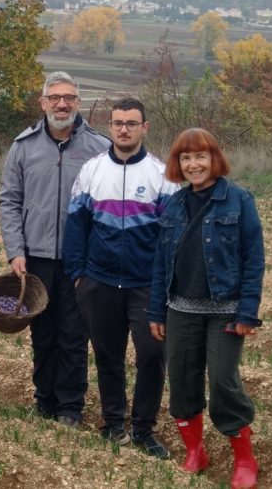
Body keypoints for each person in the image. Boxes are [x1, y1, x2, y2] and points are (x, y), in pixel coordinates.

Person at [148, 128, 264, 489]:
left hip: (225, 311)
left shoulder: (239, 200)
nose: (193, 164)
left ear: (215, 158)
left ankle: (245, 459)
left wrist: (247, 312)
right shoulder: (174, 204)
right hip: (180, 310)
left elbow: (253, 259)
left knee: (224, 383)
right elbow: (160, 263)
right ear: (177, 164)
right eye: (186, 157)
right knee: (182, 381)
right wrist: (156, 311)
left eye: (201, 156)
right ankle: (195, 451)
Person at [62, 98, 179, 456]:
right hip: (99, 283)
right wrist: (79, 276)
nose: (123, 129)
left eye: (131, 123)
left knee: (150, 356)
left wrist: (164, 287)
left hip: (146, 286)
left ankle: (143, 429)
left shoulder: (163, 176)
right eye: (117, 123)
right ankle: (113, 423)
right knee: (107, 356)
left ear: (144, 127)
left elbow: (171, 239)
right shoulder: (93, 170)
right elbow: (75, 227)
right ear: (110, 126)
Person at [0, 71, 110, 426]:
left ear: (78, 103)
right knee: (43, 334)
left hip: (81, 263)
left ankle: (70, 407)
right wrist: (16, 250)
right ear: (43, 102)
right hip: (37, 259)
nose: (62, 104)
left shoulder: (98, 148)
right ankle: (44, 399)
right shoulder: (24, 146)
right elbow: (9, 201)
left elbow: (108, 207)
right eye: (55, 98)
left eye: (70, 98)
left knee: (74, 335)